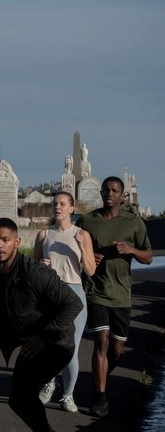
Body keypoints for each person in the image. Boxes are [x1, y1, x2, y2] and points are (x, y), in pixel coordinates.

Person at [0, 218, 83, 432]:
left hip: (56, 341)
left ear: (17, 242)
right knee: (21, 399)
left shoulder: (35, 273)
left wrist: (43, 337)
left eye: (5, 240)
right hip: (30, 342)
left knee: (23, 397)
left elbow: (73, 304)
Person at [77, 176, 152, 417]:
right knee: (101, 341)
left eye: (114, 190)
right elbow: (76, 250)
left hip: (121, 293)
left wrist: (131, 249)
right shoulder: (88, 221)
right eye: (106, 190)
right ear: (101, 193)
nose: (109, 193)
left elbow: (148, 256)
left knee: (117, 349)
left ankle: (100, 376)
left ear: (122, 195)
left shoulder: (134, 222)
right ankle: (100, 398)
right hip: (96, 290)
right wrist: (88, 257)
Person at [34, 192, 96, 412]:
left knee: (71, 349)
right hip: (50, 293)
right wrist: (40, 264)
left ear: (72, 208)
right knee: (50, 346)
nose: (57, 207)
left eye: (62, 204)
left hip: (74, 292)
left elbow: (91, 270)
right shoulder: (44, 234)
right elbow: (33, 266)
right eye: (55, 204)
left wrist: (80, 247)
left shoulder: (82, 234)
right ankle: (49, 383)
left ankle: (68, 395)